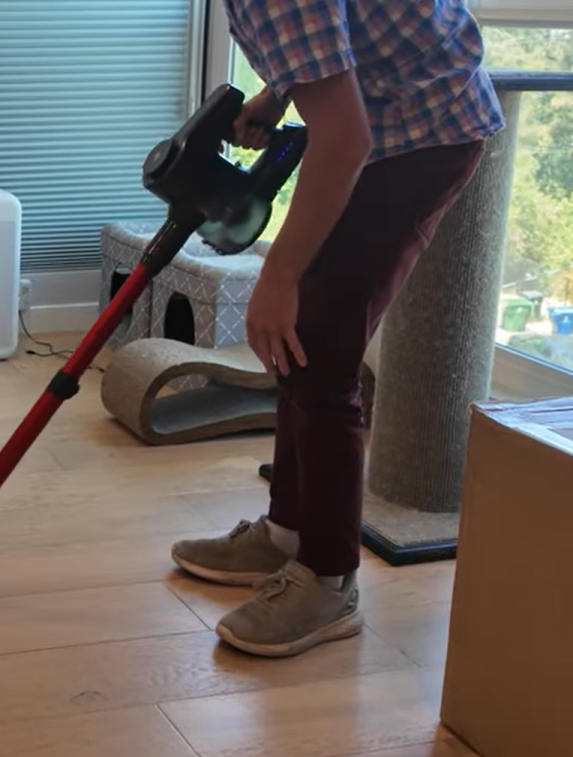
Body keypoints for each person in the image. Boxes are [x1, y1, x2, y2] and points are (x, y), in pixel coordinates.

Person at [171, 0, 505, 658]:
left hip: (421, 135)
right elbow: (341, 35)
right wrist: (279, 90)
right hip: (381, 121)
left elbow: (344, 138)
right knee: (302, 341)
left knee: (317, 347)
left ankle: (327, 580)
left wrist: (277, 275)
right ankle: (286, 534)